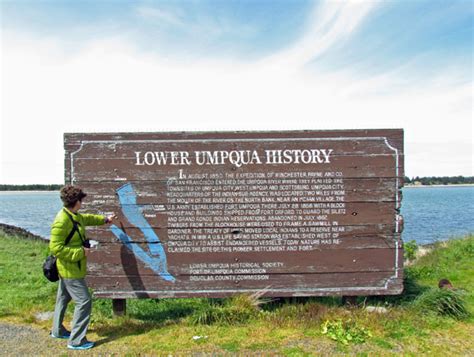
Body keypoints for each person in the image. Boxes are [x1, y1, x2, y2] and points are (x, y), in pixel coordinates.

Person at [49, 185, 115, 350]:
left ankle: (57, 330)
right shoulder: (62, 221)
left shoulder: (72, 215)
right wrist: (81, 252)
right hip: (70, 269)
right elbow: (55, 248)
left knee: (63, 298)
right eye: (81, 200)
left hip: (70, 268)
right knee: (84, 301)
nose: (83, 202)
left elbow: (87, 219)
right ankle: (77, 340)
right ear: (77, 201)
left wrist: (105, 219)